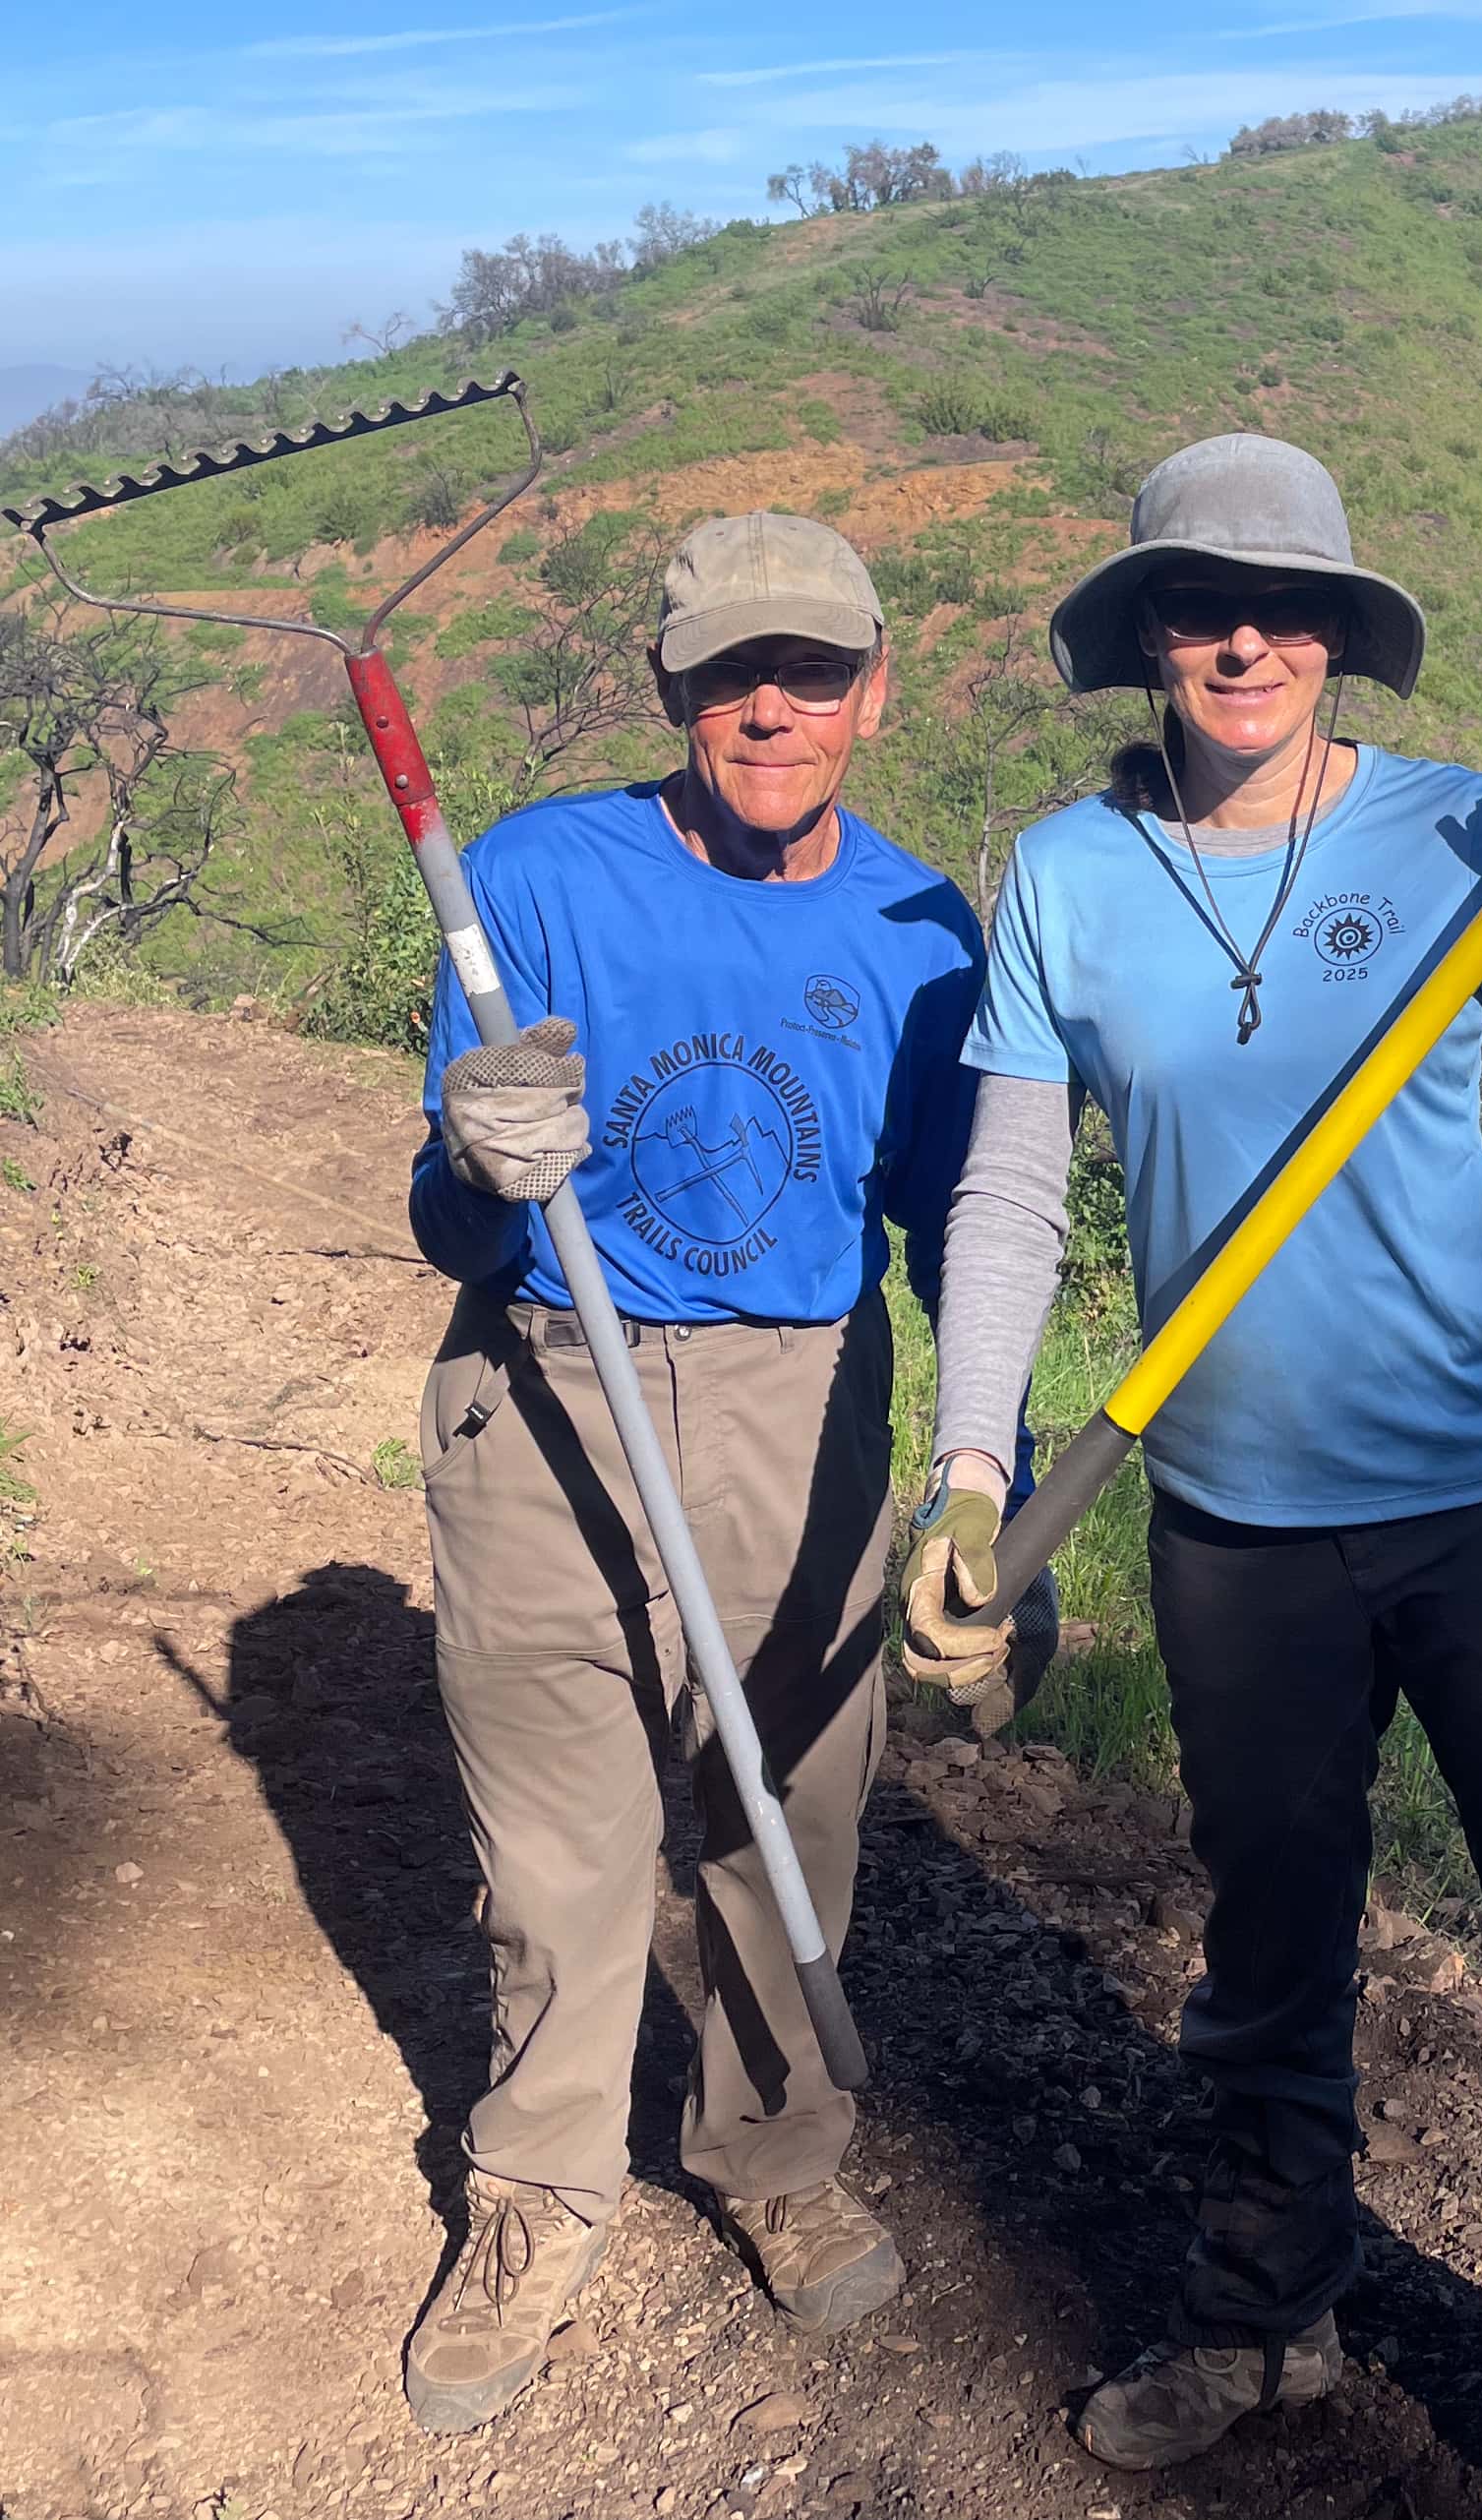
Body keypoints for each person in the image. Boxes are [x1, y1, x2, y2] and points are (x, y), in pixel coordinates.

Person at [900, 434, 1482, 2519]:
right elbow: (1009, 1187)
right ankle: (1263, 2311)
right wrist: (970, 1469)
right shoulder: (1066, 878)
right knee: (1268, 1938)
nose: (1246, 641)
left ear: (1345, 642)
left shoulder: (1464, 831)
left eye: (1289, 612)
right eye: (1203, 609)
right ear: (1147, 644)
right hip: (1234, 1524)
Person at [401, 511, 1017, 2435]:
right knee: (562, 1849)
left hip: (801, 1391)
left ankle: (774, 2147)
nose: (772, 704)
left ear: (874, 689)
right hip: (554, 1377)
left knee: (783, 1821)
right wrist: (478, 1165)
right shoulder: (533, 877)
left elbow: (951, 1227)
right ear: (671, 688)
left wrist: (969, 1483)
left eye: (813, 669)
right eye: (732, 671)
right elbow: (446, 1217)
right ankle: (535, 2194)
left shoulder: (925, 935)